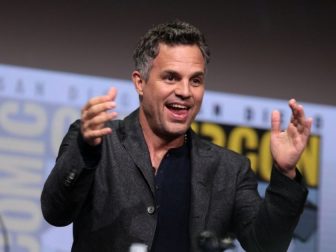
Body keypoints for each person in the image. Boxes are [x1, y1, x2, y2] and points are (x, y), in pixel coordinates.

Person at [41, 20, 312, 252]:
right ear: (140, 82)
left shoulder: (228, 170)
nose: (185, 91)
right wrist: (86, 150)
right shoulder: (97, 143)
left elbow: (266, 245)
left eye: (196, 80)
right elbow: (56, 212)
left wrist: (285, 173)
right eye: (171, 78)